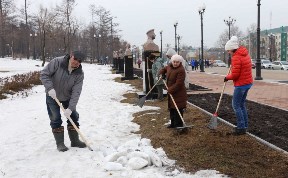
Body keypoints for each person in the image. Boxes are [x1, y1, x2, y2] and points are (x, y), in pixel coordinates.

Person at [40, 51, 86, 152]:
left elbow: (76, 92)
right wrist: (50, 88)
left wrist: (70, 108)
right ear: (71, 56)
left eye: (79, 61)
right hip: (52, 96)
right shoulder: (57, 62)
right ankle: (60, 143)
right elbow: (44, 74)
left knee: (73, 116)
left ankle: (75, 141)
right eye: (75, 59)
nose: (76, 62)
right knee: (55, 118)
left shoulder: (79, 74)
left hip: (67, 97)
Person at [224, 36, 253, 135]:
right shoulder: (245, 54)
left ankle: (241, 127)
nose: (228, 52)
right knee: (241, 104)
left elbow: (235, 75)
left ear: (232, 48)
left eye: (228, 50)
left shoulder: (236, 57)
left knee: (236, 105)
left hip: (241, 85)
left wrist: (227, 77)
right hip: (248, 83)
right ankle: (245, 125)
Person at [159, 54, 187, 128]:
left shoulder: (181, 70)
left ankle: (178, 126)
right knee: (172, 108)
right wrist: (162, 73)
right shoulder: (169, 66)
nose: (175, 63)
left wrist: (170, 90)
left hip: (178, 93)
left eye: (177, 62)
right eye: (174, 61)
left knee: (178, 109)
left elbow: (179, 83)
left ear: (180, 62)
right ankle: (173, 124)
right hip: (171, 92)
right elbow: (164, 69)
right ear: (172, 61)